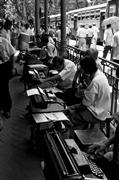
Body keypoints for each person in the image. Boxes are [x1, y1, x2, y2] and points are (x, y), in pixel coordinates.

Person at [65, 54, 110, 129]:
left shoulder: (95, 81)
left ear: (86, 69)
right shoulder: (99, 74)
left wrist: (76, 110)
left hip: (96, 113)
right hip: (98, 107)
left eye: (82, 67)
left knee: (70, 119)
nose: (80, 69)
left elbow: (86, 103)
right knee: (70, 109)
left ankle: (73, 135)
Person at [0, 36, 17, 118]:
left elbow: (12, 54)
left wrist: (13, 67)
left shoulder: (4, 41)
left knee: (4, 88)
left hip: (3, 67)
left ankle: (7, 109)